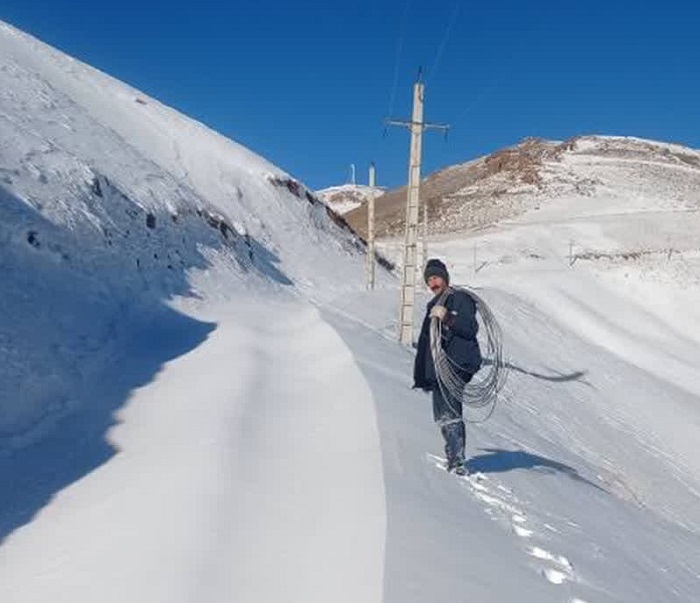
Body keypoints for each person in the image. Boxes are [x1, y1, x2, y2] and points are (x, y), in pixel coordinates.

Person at [413, 258, 482, 475]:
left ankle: (457, 460)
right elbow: (428, 343)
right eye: (429, 279)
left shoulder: (459, 299)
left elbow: (470, 328)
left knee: (451, 411)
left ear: (445, 277)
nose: (433, 283)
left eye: (436, 278)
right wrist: (425, 374)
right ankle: (452, 454)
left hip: (456, 363)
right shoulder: (432, 306)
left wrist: (449, 318)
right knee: (441, 415)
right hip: (438, 370)